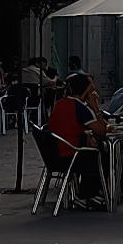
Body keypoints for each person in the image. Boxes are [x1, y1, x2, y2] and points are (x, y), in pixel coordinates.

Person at [47, 73, 109, 208]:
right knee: (102, 157)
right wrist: (95, 107)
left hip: (53, 155)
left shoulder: (60, 104)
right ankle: (88, 194)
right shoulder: (80, 107)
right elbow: (101, 130)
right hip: (70, 155)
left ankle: (89, 193)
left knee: (93, 151)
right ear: (86, 91)